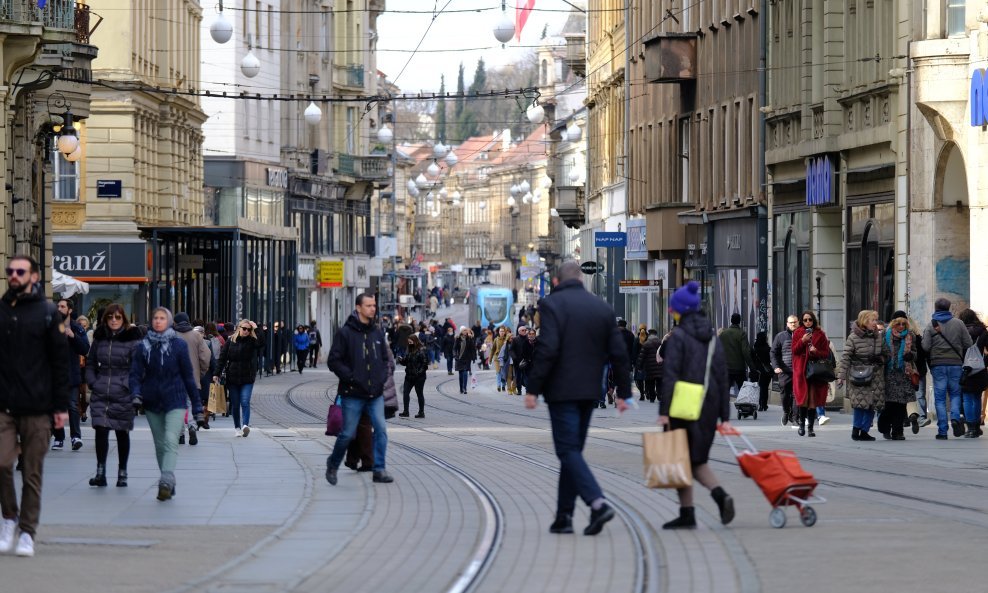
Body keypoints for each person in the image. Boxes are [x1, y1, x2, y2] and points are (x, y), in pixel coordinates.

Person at [525, 261, 631, 536]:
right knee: (572, 452)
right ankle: (564, 516)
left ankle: (597, 503)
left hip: (562, 392)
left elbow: (548, 348)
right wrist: (624, 393)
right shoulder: (601, 307)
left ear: (557, 282)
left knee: (567, 451)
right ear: (581, 279)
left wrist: (533, 388)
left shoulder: (551, 305)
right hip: (589, 391)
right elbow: (619, 353)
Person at [0, 255, 71, 557]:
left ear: (34, 276)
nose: (13, 275)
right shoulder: (1, 310)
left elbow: (59, 363)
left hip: (38, 405)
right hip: (3, 404)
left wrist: (60, 407)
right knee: (2, 464)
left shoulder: (47, 312)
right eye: (10, 271)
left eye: (20, 271)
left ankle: (27, 531)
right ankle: (8, 517)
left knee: (32, 472)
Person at [657, 281, 735, 530]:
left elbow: (671, 375)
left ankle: (696, 507)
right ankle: (705, 503)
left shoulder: (678, 337)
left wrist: (664, 412)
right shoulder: (712, 337)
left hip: (683, 403)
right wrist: (724, 415)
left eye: (673, 309)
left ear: (681, 310)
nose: (671, 312)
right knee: (695, 459)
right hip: (708, 404)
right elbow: (722, 375)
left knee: (679, 459)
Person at [129, 307, 204, 501]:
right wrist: (136, 393)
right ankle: (167, 478)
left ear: (169, 321)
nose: (158, 321)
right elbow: (135, 374)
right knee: (160, 444)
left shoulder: (178, 345)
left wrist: (197, 406)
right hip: (152, 401)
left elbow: (188, 376)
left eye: (162, 318)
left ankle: (166, 479)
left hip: (176, 400)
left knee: (171, 439)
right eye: (156, 318)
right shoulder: (142, 346)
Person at [325, 294, 393, 486]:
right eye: (369, 305)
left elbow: (385, 360)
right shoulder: (345, 333)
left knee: (381, 430)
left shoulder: (377, 333)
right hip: (353, 393)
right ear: (358, 307)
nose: (373, 309)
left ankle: (379, 469)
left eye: (374, 305)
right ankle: (333, 464)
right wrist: (351, 377)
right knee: (347, 433)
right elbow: (334, 361)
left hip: (374, 394)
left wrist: (381, 379)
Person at [85, 304, 142, 487]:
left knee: (121, 432)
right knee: (100, 430)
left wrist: (131, 388)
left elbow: (138, 368)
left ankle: (122, 472)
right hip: (102, 390)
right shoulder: (99, 339)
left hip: (123, 392)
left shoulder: (132, 340)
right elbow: (91, 362)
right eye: (111, 317)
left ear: (123, 319)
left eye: (118, 317)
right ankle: (100, 472)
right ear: (106, 319)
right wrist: (93, 382)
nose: (114, 320)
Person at [922, 297, 973, 439]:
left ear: (936, 308)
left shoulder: (931, 325)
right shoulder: (959, 323)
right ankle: (956, 417)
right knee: (956, 394)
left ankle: (942, 431)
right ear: (949, 308)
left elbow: (925, 346)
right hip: (956, 364)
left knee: (940, 398)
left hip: (938, 365)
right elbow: (968, 343)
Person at [836, 310, 888, 441]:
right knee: (860, 404)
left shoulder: (878, 336)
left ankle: (864, 431)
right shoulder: (853, 337)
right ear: (864, 321)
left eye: (876, 320)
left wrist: (881, 358)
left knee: (872, 404)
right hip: (859, 375)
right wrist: (841, 376)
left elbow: (886, 353)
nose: (875, 323)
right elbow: (846, 357)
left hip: (876, 375)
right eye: (873, 320)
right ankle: (856, 429)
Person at [52, 298, 90, 452]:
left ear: (69, 310)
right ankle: (59, 437)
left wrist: (73, 336)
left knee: (73, 406)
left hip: (71, 374)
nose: (58, 308)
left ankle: (76, 437)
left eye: (62, 306)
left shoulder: (76, 327)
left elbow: (85, 348)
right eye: (58, 306)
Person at [216, 320, 260, 437]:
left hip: (247, 376)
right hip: (233, 377)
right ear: (239, 328)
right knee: (235, 404)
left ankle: (245, 425)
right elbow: (222, 358)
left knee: (245, 401)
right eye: (244, 328)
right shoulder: (230, 341)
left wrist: (256, 328)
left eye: (249, 330)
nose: (246, 331)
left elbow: (261, 344)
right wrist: (216, 374)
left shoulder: (252, 341)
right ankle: (237, 428)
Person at [877, 312, 918, 440]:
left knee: (901, 405)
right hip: (888, 373)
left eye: (903, 324)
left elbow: (915, 353)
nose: (901, 326)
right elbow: (880, 351)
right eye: (898, 324)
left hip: (904, 374)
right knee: (889, 404)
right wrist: (883, 359)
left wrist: (911, 355)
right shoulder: (885, 334)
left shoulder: (910, 336)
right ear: (893, 323)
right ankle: (885, 427)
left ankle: (898, 431)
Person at [173, 312, 211, 446]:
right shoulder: (197, 336)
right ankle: (192, 427)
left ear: (175, 322)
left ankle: (180, 435)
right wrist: (201, 373)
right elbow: (205, 356)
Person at [791, 311, 831, 437]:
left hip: (815, 371)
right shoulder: (798, 333)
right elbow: (794, 350)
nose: (808, 322)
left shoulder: (820, 334)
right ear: (802, 322)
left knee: (813, 400)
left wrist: (816, 351)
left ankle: (811, 428)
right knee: (803, 399)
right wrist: (803, 341)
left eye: (810, 320)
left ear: (814, 321)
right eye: (805, 320)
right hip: (801, 370)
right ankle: (802, 425)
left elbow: (826, 353)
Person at [958, 309, 988, 438]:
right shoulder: (983, 332)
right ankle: (976, 426)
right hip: (979, 369)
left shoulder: (960, 331)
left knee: (967, 398)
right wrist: (984, 362)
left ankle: (970, 427)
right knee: (976, 397)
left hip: (964, 368)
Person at [771, 316, 798, 426]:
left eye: (795, 322)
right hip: (784, 371)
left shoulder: (803, 335)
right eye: (791, 322)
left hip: (798, 371)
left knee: (797, 394)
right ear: (787, 323)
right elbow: (773, 353)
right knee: (785, 394)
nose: (793, 324)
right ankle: (786, 412)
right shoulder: (780, 336)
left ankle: (796, 417)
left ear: (798, 322)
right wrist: (776, 366)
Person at [718, 313, 753, 391]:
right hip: (739, 368)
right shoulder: (741, 334)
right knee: (743, 391)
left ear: (731, 320)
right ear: (739, 321)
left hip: (726, 368)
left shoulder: (723, 334)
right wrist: (752, 367)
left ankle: (724, 403)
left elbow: (718, 350)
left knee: (724, 392)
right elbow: (745, 351)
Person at [398, 334, 428, 418]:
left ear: (415, 340)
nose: (409, 343)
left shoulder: (421, 350)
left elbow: (425, 364)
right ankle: (406, 411)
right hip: (409, 376)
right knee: (405, 393)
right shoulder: (409, 349)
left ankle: (421, 412)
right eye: (408, 342)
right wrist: (401, 360)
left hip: (419, 377)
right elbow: (406, 361)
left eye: (410, 341)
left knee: (419, 394)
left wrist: (419, 372)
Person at [637, 329, 664, 404]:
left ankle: (652, 397)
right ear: (656, 335)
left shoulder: (646, 344)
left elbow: (642, 356)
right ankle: (660, 395)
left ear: (649, 335)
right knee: (659, 382)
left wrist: (639, 367)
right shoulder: (661, 342)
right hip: (660, 366)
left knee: (651, 383)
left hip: (649, 367)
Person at [752, 331, 773, 412]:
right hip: (767, 370)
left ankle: (760, 404)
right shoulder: (768, 349)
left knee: (760, 387)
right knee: (765, 388)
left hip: (758, 371)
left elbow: (753, 360)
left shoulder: (755, 349)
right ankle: (764, 404)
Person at [512, 325, 534, 395]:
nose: (525, 331)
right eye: (523, 330)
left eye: (525, 330)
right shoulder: (515, 339)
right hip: (518, 362)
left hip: (527, 361)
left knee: (527, 376)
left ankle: (528, 390)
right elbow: (511, 350)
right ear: (519, 332)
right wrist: (514, 357)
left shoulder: (528, 339)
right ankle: (519, 390)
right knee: (518, 377)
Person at [455, 328, 476, 394]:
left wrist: (474, 357)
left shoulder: (469, 339)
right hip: (459, 358)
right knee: (460, 374)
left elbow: (473, 348)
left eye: (466, 331)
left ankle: (465, 388)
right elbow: (454, 348)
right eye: (464, 330)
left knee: (465, 372)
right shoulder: (458, 339)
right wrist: (455, 355)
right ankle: (461, 388)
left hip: (467, 358)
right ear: (461, 332)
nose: (465, 332)